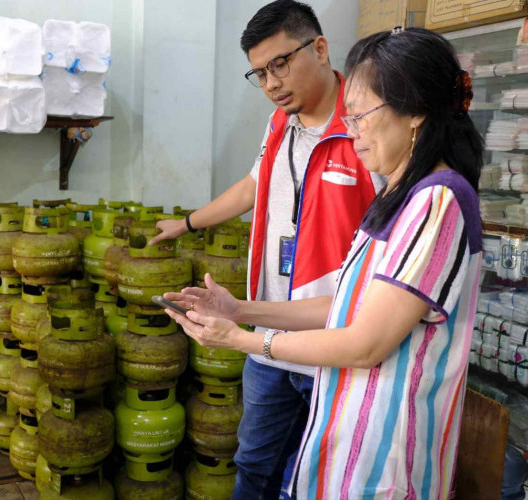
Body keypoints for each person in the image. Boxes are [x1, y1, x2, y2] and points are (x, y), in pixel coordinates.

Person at [165, 27, 483, 499]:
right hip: (348, 440)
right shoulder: (401, 194)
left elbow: (363, 344)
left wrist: (242, 339)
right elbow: (347, 306)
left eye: (360, 118)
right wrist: (241, 310)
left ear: (414, 112)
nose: (351, 135)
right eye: (348, 119)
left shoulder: (438, 202)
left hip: (383, 459)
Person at [151, 1, 381, 497]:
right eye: (259, 73)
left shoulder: (366, 129)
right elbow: (253, 186)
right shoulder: (281, 123)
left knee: (314, 478)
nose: (272, 83)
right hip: (268, 341)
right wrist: (186, 223)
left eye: (280, 63)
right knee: (253, 464)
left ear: (319, 48)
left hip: (333, 344)